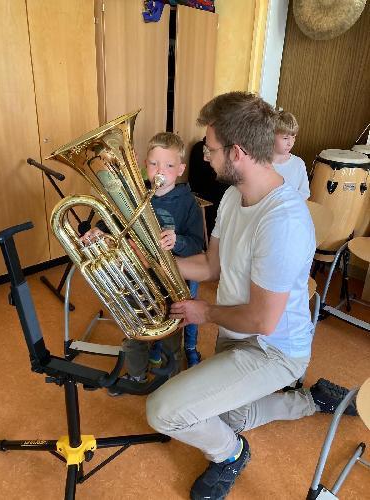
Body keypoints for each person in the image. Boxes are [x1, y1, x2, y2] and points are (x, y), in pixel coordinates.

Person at [146, 92, 357, 500]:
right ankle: (310, 400)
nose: (205, 156)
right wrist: (148, 260)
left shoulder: (284, 221)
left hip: (273, 349)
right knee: (230, 413)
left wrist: (204, 311)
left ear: (237, 152)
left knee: (164, 411)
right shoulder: (231, 197)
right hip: (237, 333)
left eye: (210, 149)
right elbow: (209, 268)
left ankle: (231, 454)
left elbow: (263, 321)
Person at [91, 131, 204, 394]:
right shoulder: (136, 193)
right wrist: (100, 230)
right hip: (136, 280)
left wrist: (177, 241)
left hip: (171, 284)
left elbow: (197, 244)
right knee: (135, 332)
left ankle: (173, 381)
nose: (160, 171)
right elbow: (117, 221)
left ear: (181, 169)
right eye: (154, 164)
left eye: (169, 165)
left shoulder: (188, 202)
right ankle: (136, 376)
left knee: (170, 338)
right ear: (144, 164)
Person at [273, 110, 310, 200]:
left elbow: (304, 193)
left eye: (293, 137)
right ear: (270, 136)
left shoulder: (299, 164)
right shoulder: (260, 162)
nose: (290, 143)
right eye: (285, 138)